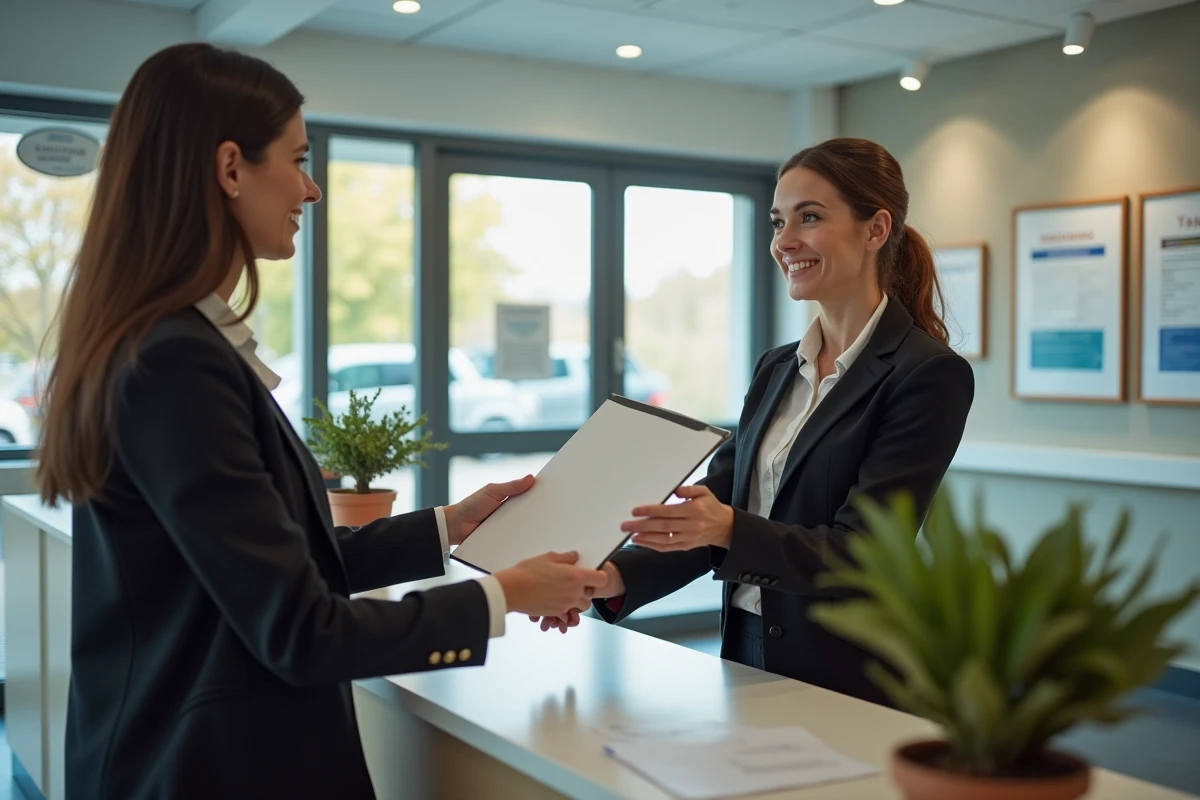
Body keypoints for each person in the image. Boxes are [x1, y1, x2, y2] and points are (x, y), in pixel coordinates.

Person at [34, 43, 607, 800]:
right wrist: (501, 596)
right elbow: (301, 631)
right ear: (231, 167)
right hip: (205, 769)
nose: (312, 190)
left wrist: (450, 524)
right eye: (298, 159)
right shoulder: (176, 361)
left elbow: (278, 560)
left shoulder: (163, 343)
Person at [534, 138, 974, 707]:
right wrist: (612, 578)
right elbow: (717, 512)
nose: (784, 242)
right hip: (746, 642)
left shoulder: (927, 374)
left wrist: (727, 529)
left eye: (809, 218)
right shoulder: (775, 369)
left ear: (876, 229)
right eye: (777, 222)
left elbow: (864, 553)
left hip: (849, 664)